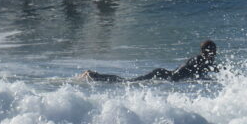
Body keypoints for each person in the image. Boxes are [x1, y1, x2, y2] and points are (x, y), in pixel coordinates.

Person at [79, 40, 219, 83]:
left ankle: (94, 75)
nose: (214, 54)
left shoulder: (202, 62)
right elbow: (208, 71)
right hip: (163, 75)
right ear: (205, 51)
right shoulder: (199, 60)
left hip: (164, 74)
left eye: (214, 51)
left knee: (127, 81)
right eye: (212, 51)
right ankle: (93, 75)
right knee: (127, 82)